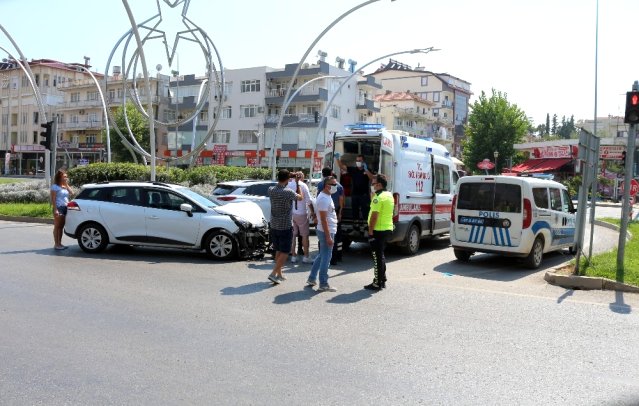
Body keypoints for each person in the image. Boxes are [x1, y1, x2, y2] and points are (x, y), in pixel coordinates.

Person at [267, 169, 303, 284]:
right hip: (285, 225)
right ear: (288, 179)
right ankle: (273, 273)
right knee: (285, 251)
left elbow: (281, 182)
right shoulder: (288, 192)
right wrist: (298, 182)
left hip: (274, 224)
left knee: (278, 249)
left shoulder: (271, 190)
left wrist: (290, 176)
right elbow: (300, 197)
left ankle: (279, 274)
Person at [306, 176, 339, 292]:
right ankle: (323, 283)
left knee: (322, 255)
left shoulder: (327, 196)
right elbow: (323, 219)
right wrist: (328, 236)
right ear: (327, 186)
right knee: (326, 257)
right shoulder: (324, 199)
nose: (336, 186)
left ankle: (311, 278)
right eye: (334, 184)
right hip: (327, 230)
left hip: (327, 229)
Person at [364, 174, 395, 291]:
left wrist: (370, 231)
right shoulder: (388, 195)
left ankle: (377, 283)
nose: (372, 185)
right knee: (380, 255)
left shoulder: (378, 197)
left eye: (373, 183)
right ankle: (382, 279)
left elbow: (374, 216)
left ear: (379, 185)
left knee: (377, 257)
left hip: (378, 230)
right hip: (386, 229)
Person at [335, 153, 375, 230]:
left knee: (365, 212)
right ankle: (356, 229)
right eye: (357, 160)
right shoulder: (353, 169)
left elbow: (372, 178)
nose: (358, 162)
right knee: (355, 212)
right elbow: (342, 167)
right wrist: (337, 158)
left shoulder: (367, 169)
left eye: (360, 161)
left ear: (363, 162)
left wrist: (366, 170)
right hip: (355, 194)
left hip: (364, 195)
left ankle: (366, 229)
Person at [317, 167, 344, 265]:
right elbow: (341, 200)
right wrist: (340, 212)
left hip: (323, 211)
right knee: (336, 236)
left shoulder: (320, 185)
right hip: (334, 212)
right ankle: (336, 257)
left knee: (323, 239)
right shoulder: (339, 186)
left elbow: (317, 199)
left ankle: (322, 257)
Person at [287, 171, 314, 264]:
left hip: (292, 213)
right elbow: (309, 201)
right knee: (305, 235)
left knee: (293, 235)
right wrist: (313, 212)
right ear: (301, 177)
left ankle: (293, 256)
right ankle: (306, 256)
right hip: (302, 213)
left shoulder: (289, 185)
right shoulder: (303, 185)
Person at [50, 169, 73, 250]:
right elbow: (53, 199)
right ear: (60, 177)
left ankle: (60, 243)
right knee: (57, 226)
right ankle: (56, 244)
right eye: (64, 177)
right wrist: (55, 210)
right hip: (59, 207)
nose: (66, 178)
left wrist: (66, 184)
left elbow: (72, 193)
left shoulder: (64, 186)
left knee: (61, 227)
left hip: (65, 207)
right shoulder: (55, 187)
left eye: (66, 177)